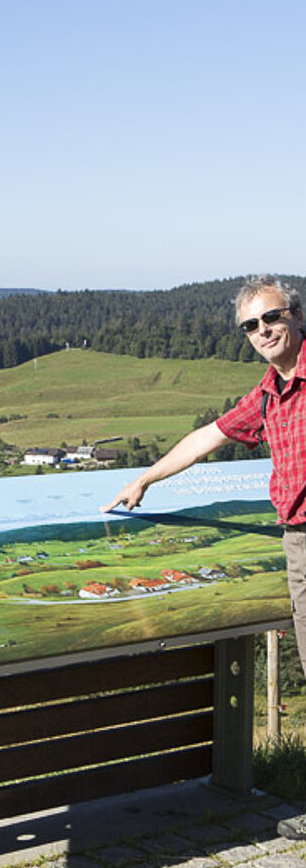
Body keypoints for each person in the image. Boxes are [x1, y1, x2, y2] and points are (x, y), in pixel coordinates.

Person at [101, 273, 306, 839]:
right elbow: (205, 438)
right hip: (299, 542)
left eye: (271, 317)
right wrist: (144, 480)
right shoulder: (265, 397)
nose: (262, 330)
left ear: (295, 314)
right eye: (250, 325)